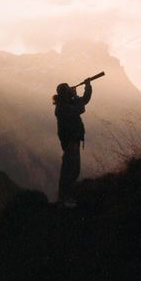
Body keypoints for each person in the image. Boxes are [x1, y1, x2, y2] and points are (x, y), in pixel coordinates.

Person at [52, 79, 92, 207]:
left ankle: (66, 197)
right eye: (69, 90)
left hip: (73, 141)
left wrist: (88, 86)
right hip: (70, 142)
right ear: (66, 94)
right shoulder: (63, 108)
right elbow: (81, 108)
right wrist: (75, 95)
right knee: (70, 171)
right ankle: (65, 199)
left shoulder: (65, 104)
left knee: (73, 170)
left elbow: (84, 100)